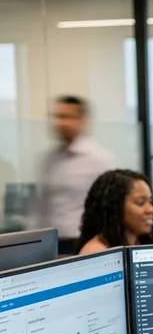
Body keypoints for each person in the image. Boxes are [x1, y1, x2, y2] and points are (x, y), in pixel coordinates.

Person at [34, 96, 114, 255]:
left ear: (83, 120)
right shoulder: (49, 159)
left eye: (67, 117)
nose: (61, 122)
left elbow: (110, 205)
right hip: (51, 243)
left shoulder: (99, 159)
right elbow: (41, 206)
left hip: (83, 243)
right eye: (58, 116)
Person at [78, 170, 153, 255]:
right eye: (141, 202)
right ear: (114, 206)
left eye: (150, 202)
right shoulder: (96, 253)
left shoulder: (138, 245)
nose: (151, 209)